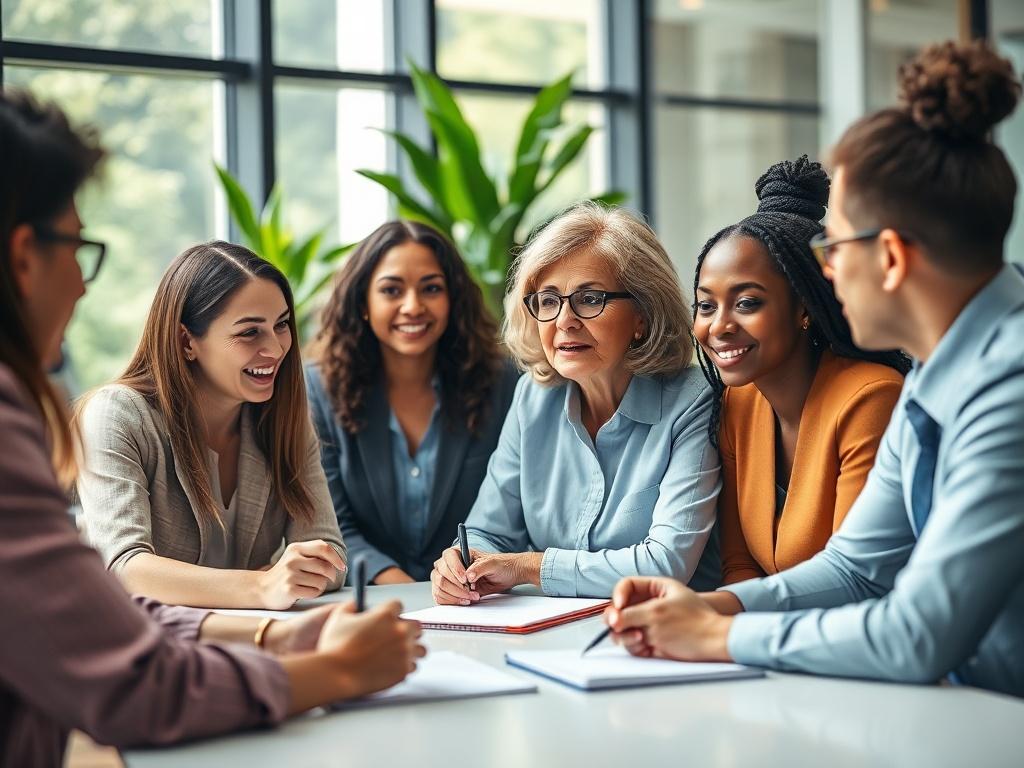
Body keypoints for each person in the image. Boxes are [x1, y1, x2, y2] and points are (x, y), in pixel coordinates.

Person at [0, 88, 424, 767]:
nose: (82, 283)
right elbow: (125, 595)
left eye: (283, 327)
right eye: (77, 247)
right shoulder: (107, 416)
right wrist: (302, 642)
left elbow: (316, 547)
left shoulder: (283, 412)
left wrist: (267, 633)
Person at [605, 40, 1024, 698]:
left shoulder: (1010, 387)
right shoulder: (937, 375)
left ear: (889, 257)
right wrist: (715, 607)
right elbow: (855, 567)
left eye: (834, 246)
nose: (824, 270)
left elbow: (919, 633)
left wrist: (719, 639)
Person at [430, 202, 722, 604]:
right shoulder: (534, 396)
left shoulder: (694, 399)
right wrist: (463, 563)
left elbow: (665, 564)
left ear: (643, 314)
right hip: (547, 635)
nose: (564, 320)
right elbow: (488, 531)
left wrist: (527, 567)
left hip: (666, 637)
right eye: (548, 301)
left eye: (589, 298)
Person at [75, 240, 347, 609]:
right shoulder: (117, 415)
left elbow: (329, 549)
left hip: (250, 639)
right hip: (142, 648)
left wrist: (297, 575)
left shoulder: (283, 420)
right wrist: (261, 586)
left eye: (281, 325)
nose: (276, 348)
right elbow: (123, 567)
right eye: (249, 332)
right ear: (187, 341)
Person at [692, 155, 909, 584]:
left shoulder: (871, 399)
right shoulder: (739, 402)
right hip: (756, 640)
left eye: (747, 302)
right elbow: (739, 564)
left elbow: (854, 580)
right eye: (705, 305)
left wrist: (721, 620)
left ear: (804, 309)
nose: (719, 326)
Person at [307, 220, 519, 584]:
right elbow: (332, 525)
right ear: (363, 303)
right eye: (391, 290)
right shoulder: (318, 388)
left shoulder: (503, 382)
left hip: (478, 598)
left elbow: (513, 513)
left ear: (453, 298)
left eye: (431, 288)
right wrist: (407, 592)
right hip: (371, 602)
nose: (413, 306)